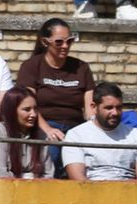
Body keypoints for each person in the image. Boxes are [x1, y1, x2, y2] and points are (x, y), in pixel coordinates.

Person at [17, 19, 93, 147]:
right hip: (43, 125)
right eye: (59, 42)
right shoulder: (31, 66)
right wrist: (48, 129)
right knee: (52, 149)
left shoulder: (82, 67)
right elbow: (28, 105)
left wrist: (90, 129)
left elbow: (90, 107)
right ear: (45, 42)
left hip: (75, 126)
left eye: (69, 41)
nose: (65, 46)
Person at [61, 81, 137, 182]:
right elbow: (78, 179)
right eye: (109, 108)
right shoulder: (76, 135)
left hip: (129, 193)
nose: (115, 113)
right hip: (91, 193)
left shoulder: (136, 135)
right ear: (94, 107)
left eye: (119, 107)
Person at [0, 86, 57, 179]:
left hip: (37, 190)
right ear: (12, 111)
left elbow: (48, 174)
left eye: (35, 109)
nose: (33, 114)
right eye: (27, 109)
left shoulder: (41, 135)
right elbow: (0, 172)